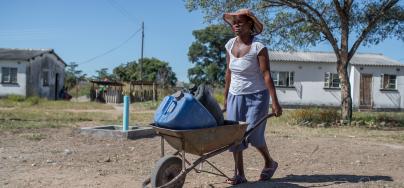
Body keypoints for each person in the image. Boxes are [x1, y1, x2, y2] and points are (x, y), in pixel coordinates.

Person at [223, 9, 283, 185]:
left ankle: (269, 162)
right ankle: (239, 174)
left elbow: (266, 75)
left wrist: (275, 102)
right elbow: (228, 72)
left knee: (253, 135)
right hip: (235, 95)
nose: (236, 25)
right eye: (234, 22)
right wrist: (226, 98)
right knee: (235, 136)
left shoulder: (259, 47)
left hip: (257, 96)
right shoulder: (229, 45)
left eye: (240, 21)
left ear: (250, 24)